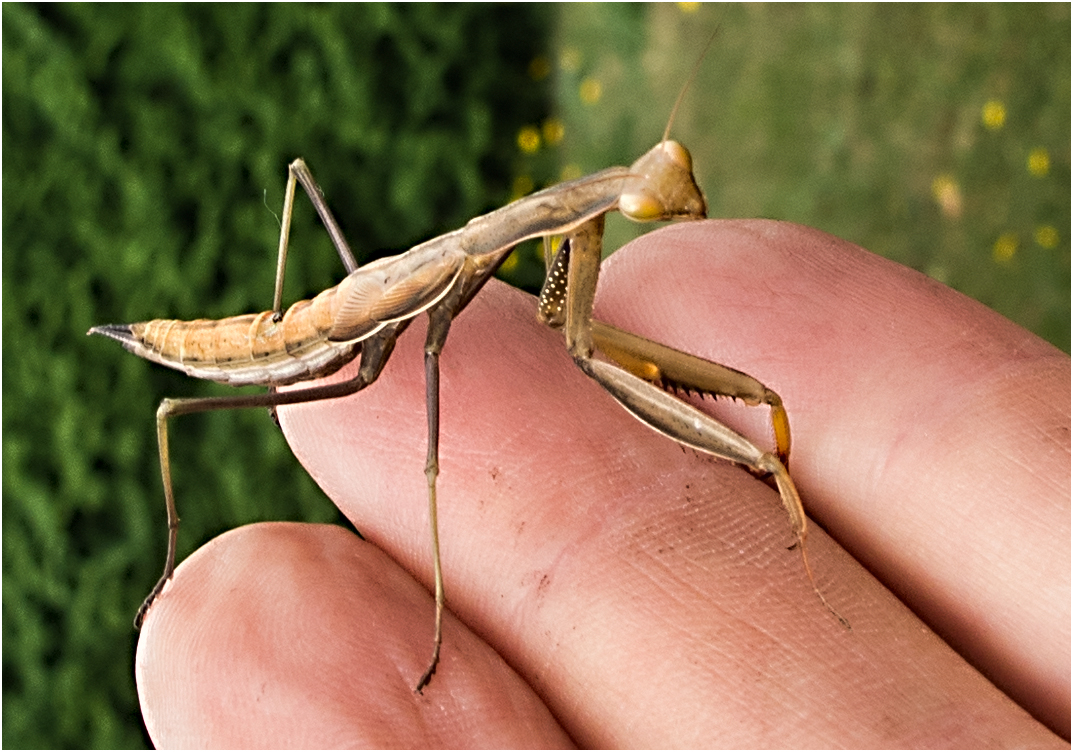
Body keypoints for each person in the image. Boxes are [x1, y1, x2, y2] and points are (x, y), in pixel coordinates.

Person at [134, 221, 1070, 747]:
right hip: (314, 333)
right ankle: (176, 550)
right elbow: (544, 345)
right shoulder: (473, 257)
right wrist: (435, 627)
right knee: (206, 412)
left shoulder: (514, 248)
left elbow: (564, 326)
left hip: (374, 309)